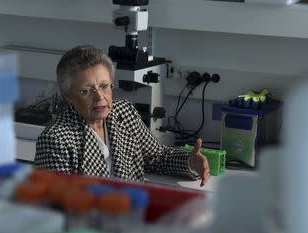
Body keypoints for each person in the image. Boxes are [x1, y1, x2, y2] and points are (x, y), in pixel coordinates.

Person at [34, 45, 210, 186]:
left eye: (104, 86)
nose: (100, 98)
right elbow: (56, 206)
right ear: (67, 95)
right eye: (86, 90)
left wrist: (190, 162)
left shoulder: (124, 113)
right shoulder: (56, 140)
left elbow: (157, 157)